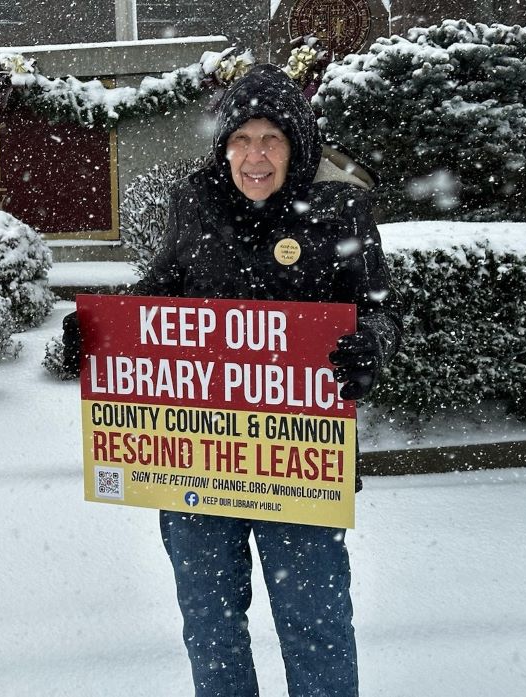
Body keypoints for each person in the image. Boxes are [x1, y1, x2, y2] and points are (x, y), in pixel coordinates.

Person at [64, 63, 401, 697]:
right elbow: (160, 295)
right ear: (223, 146)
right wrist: (99, 330)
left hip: (297, 462)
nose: (255, 156)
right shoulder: (196, 204)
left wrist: (370, 348)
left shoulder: (342, 212)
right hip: (199, 462)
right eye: (241, 139)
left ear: (296, 143)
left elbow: (381, 310)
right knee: (212, 628)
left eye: (271, 138)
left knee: (316, 624)